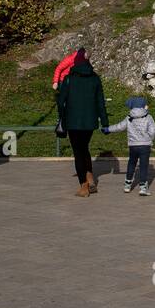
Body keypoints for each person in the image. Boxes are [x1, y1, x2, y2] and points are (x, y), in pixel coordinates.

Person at [56, 49, 109, 197]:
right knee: (84, 147)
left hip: (73, 122)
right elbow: (100, 102)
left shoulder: (68, 79)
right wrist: (104, 122)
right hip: (90, 122)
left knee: (78, 152)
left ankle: (83, 186)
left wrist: (62, 116)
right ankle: (91, 177)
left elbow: (61, 102)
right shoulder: (95, 78)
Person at [102, 95, 155, 196]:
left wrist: (108, 129)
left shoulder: (129, 117)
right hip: (145, 145)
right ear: (142, 105)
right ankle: (143, 188)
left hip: (133, 145)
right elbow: (153, 130)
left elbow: (119, 127)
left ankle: (127, 185)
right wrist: (150, 139)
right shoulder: (148, 117)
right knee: (144, 166)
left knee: (131, 163)